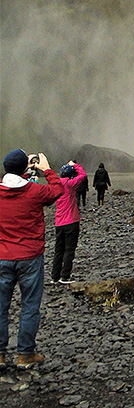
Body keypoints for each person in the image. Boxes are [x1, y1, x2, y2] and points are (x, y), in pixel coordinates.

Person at [0, 150, 63, 370]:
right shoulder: (35, 191)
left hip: (2, 257)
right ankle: (24, 354)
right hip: (30, 257)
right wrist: (45, 168)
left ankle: (0, 354)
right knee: (29, 306)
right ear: (25, 168)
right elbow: (58, 189)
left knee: (0, 307)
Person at [51, 161, 87, 285]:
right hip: (71, 221)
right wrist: (75, 165)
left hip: (59, 222)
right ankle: (65, 276)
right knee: (69, 250)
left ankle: (54, 276)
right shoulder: (70, 184)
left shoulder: (55, 185)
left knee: (58, 250)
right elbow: (82, 175)